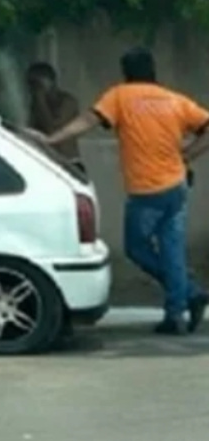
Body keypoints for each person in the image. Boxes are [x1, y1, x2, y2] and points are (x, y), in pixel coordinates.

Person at [42, 47, 209, 334]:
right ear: (152, 71)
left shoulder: (120, 96)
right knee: (172, 251)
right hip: (176, 186)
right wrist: (189, 155)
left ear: (126, 72)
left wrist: (51, 140)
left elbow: (86, 121)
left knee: (137, 248)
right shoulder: (174, 100)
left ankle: (189, 294)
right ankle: (177, 311)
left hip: (146, 189)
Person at [26, 62, 82, 168]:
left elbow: (54, 129)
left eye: (37, 84)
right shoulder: (35, 105)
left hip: (68, 161)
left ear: (50, 82)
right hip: (47, 160)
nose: (34, 89)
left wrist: (40, 100)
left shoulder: (67, 102)